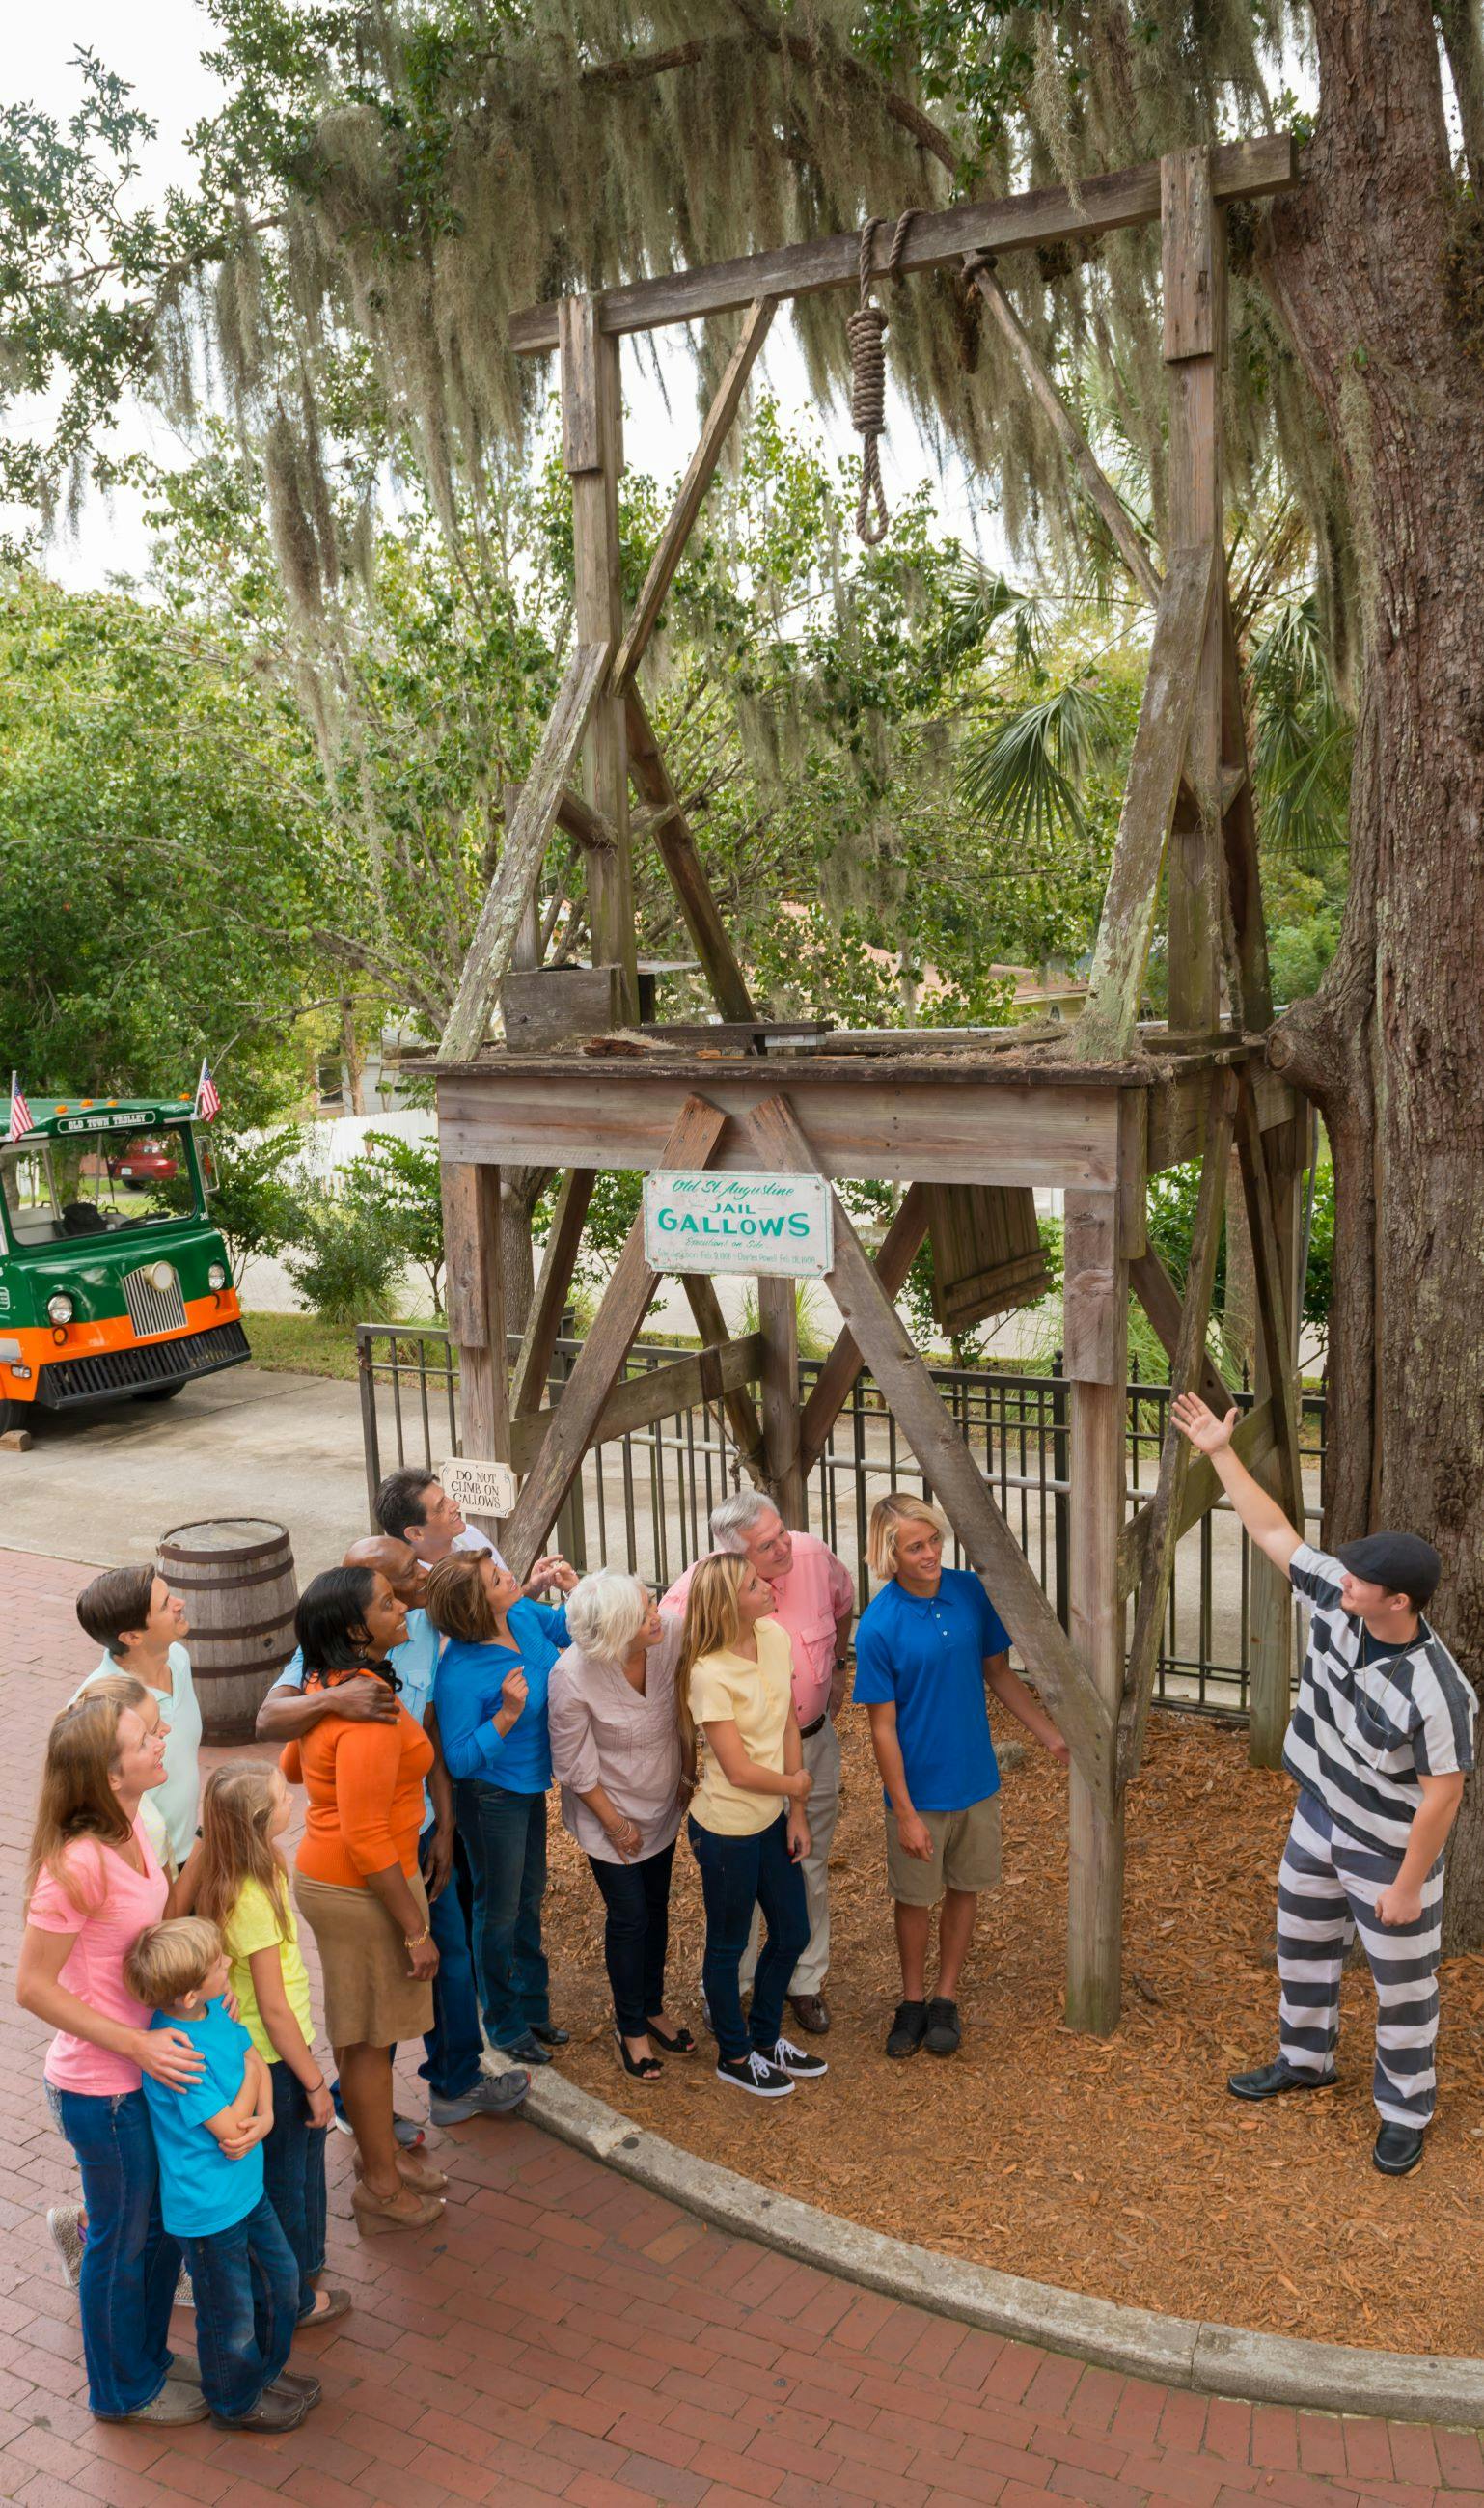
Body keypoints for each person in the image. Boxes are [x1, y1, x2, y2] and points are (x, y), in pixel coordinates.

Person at [1172, 1392, 1478, 2176]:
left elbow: (1443, 1795)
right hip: (1318, 1816)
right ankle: (1305, 2059)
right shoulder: (1338, 1603)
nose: (1344, 1577)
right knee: (1301, 1946)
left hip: (1388, 1849)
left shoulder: (1440, 1692)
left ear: (1398, 1602)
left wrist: (1409, 1885)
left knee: (1404, 1989)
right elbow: (1272, 1530)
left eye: (1362, 1577)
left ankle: (1405, 2110)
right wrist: (1218, 1451)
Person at [257, 1534, 527, 2131]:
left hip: (420, 1836)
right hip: (371, 1863)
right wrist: (334, 1701)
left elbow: (425, 1724)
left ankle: (454, 2082)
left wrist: (445, 1822)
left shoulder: (419, 1627)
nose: (421, 1582)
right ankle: (362, 2119)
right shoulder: (335, 1669)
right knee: (378, 2003)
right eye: (401, 1582)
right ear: (359, 1616)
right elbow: (271, 1721)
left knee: (449, 1966)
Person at [16, 1694, 211, 2426]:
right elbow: (32, 1986)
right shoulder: (75, 1864)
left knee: (159, 2230)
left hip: (145, 2076)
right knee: (121, 2241)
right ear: (106, 1772)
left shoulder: (134, 1822)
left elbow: (148, 1935)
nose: (161, 1739)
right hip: (103, 2091)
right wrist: (136, 2042)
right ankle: (119, 2388)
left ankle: (149, 2357)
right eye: (143, 1738)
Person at [854, 1494, 1069, 2062]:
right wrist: (903, 1811)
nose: (931, 1554)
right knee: (913, 1899)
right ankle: (912, 2000)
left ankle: (946, 1997)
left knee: (964, 1888)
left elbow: (997, 1672)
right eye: (916, 1546)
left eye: (934, 1541)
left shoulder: (970, 1593)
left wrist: (1047, 1733)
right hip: (918, 1792)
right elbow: (882, 1729)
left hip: (975, 1779)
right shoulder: (879, 1625)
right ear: (889, 1555)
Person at [283, 1565, 445, 2236]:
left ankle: (382, 2161)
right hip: (364, 1887)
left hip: (338, 1880)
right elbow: (366, 1833)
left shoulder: (333, 1689)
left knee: (362, 2033)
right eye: (387, 1602)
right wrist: (415, 1928)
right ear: (356, 1630)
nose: (402, 1603)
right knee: (372, 2042)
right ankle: (379, 2184)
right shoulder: (365, 1712)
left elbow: (293, 1767)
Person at [664, 1492, 853, 2034]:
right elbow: (665, 1670)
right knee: (738, 1886)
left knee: (807, 1866)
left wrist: (837, 1668)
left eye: (782, 1531)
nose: (784, 1547)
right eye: (766, 1546)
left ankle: (804, 1981)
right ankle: (733, 1986)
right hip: (740, 1769)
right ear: (733, 1560)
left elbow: (844, 1603)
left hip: (809, 1745)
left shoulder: (813, 1559)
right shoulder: (692, 1596)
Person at [125, 1917, 311, 2435]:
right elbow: (230, 2132)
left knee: (282, 2283)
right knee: (228, 2315)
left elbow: (252, 2058)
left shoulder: (213, 2011)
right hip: (209, 2212)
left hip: (246, 2192)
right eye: (217, 1963)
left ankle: (264, 2375)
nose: (227, 1963)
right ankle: (233, 2401)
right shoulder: (177, 2052)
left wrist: (268, 2113)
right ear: (187, 1993)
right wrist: (255, 2086)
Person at [191, 1763, 351, 2329]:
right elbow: (275, 2007)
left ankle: (306, 2266)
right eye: (284, 1798)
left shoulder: (247, 1868)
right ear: (262, 1821)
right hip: (276, 2060)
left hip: (280, 2053)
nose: (293, 1801)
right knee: (288, 2175)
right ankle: (292, 2297)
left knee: (302, 2165)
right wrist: (314, 2082)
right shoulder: (253, 1896)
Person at [679, 1553, 823, 2100]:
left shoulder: (774, 1636)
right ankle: (735, 2056)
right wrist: (796, 1788)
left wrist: (798, 1811)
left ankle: (766, 2041)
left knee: (792, 1931)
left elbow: (787, 1717)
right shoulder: (708, 1673)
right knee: (727, 1944)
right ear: (727, 1604)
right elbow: (736, 1770)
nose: (768, 1586)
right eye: (753, 1584)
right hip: (726, 1830)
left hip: (772, 1818)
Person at [426, 1550, 577, 2066]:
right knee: (499, 1908)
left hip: (530, 1785)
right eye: (497, 1578)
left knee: (528, 1896)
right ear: (475, 1605)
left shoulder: (519, 1614)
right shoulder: (459, 1674)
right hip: (491, 1799)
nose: (510, 1576)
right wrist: (508, 1716)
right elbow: (459, 1759)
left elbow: (564, 1630)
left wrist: (576, 1591)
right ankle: (505, 2022)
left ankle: (533, 2008)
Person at [548, 1572, 695, 2081]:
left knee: (656, 1907)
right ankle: (629, 2025)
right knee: (629, 1917)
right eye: (643, 1612)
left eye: (652, 1603)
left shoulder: (666, 1635)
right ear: (614, 1631)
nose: (658, 1613)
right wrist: (614, 1825)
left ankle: (652, 2006)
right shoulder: (572, 1676)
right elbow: (572, 1765)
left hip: (662, 1802)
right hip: (608, 1815)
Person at [72, 1563, 203, 1872]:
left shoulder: (178, 1659)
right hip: (144, 1868)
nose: (179, 1603)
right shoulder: (101, 1709)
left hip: (187, 1852)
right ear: (132, 1636)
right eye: (164, 1604)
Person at [376, 1465, 568, 1601]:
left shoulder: (470, 1535)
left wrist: (533, 1588)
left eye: (446, 1497)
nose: (455, 1505)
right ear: (415, 1533)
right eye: (440, 1507)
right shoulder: (413, 1589)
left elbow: (511, 1610)